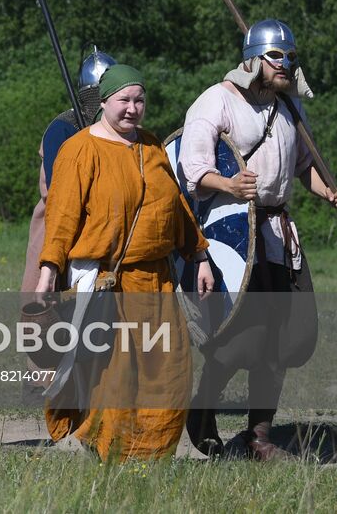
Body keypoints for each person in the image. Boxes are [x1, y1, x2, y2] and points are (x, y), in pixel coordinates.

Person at [179, 19, 337, 461]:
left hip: (276, 234)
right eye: (278, 58)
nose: (287, 66)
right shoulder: (215, 102)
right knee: (241, 337)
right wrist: (231, 185)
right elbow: (191, 169)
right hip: (232, 231)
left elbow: (302, 165)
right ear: (255, 59)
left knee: (284, 337)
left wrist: (327, 191)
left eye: (291, 58)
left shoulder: (291, 107)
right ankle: (203, 408)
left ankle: (259, 437)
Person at [37, 64, 214, 462]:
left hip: (158, 278)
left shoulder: (151, 146)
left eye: (139, 100)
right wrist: (49, 268)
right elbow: (62, 214)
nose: (132, 109)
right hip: (109, 280)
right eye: (123, 101)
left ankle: (154, 450)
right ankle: (95, 444)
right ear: (103, 103)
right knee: (113, 373)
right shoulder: (81, 149)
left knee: (171, 369)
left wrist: (199, 254)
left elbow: (177, 207)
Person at [21, 48, 117, 299]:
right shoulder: (63, 128)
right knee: (45, 306)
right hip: (58, 224)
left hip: (107, 231)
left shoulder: (120, 130)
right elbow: (57, 189)